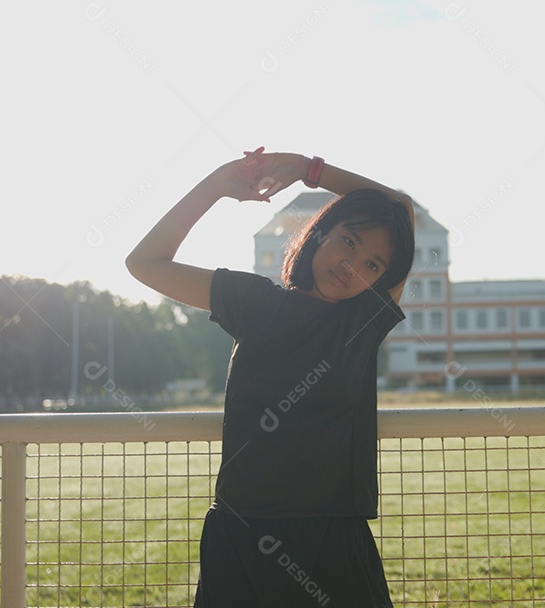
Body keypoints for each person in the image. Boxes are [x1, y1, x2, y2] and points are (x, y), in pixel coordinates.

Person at [126, 147, 415, 607]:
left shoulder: (363, 321)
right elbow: (144, 262)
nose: (353, 265)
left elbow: (401, 207)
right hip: (242, 538)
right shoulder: (255, 302)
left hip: (334, 541)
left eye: (373, 265)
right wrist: (215, 186)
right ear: (320, 233)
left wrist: (308, 169)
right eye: (349, 241)